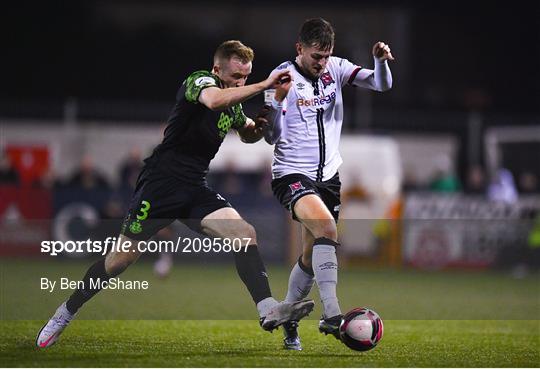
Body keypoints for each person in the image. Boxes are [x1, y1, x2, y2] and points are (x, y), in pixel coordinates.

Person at [36, 40, 314, 348]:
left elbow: (248, 134)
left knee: (244, 233)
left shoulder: (233, 103)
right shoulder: (200, 82)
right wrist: (265, 83)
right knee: (118, 261)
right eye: (236, 76)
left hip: (195, 188)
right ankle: (66, 311)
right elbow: (213, 101)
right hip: (160, 186)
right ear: (217, 68)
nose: (241, 82)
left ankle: (266, 309)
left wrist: (268, 110)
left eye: (245, 77)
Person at [261, 18, 393, 350]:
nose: (321, 63)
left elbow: (381, 85)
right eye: (315, 56)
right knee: (327, 229)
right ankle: (332, 314)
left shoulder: (336, 68)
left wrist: (379, 60)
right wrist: (277, 101)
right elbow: (270, 136)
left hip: (329, 178)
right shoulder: (281, 77)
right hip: (292, 174)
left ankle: (289, 319)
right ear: (299, 49)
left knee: (309, 256)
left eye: (326, 56)